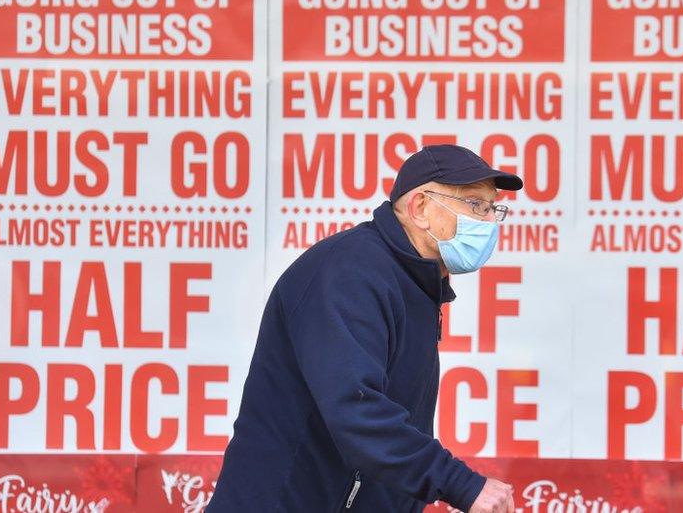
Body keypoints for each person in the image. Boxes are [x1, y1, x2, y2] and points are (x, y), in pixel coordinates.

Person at [207, 144, 522, 512]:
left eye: (491, 208)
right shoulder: (350, 273)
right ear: (420, 208)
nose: (487, 221)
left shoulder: (416, 286)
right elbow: (356, 411)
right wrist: (461, 484)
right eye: (473, 204)